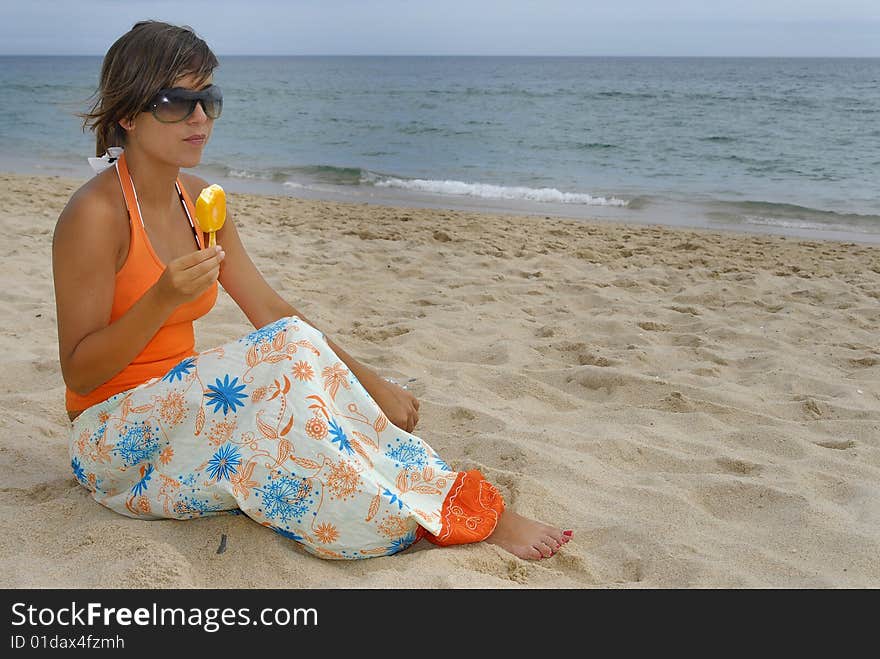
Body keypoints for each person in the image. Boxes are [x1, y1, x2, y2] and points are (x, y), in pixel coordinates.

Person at [54, 20, 571, 561]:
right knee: (286, 367)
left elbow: (274, 313)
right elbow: (80, 371)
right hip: (113, 441)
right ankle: (452, 516)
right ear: (127, 115)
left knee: (295, 376)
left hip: (193, 412)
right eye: (176, 101)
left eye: (209, 98)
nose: (200, 117)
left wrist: (372, 385)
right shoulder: (95, 215)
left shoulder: (203, 202)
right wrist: (161, 298)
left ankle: (455, 502)